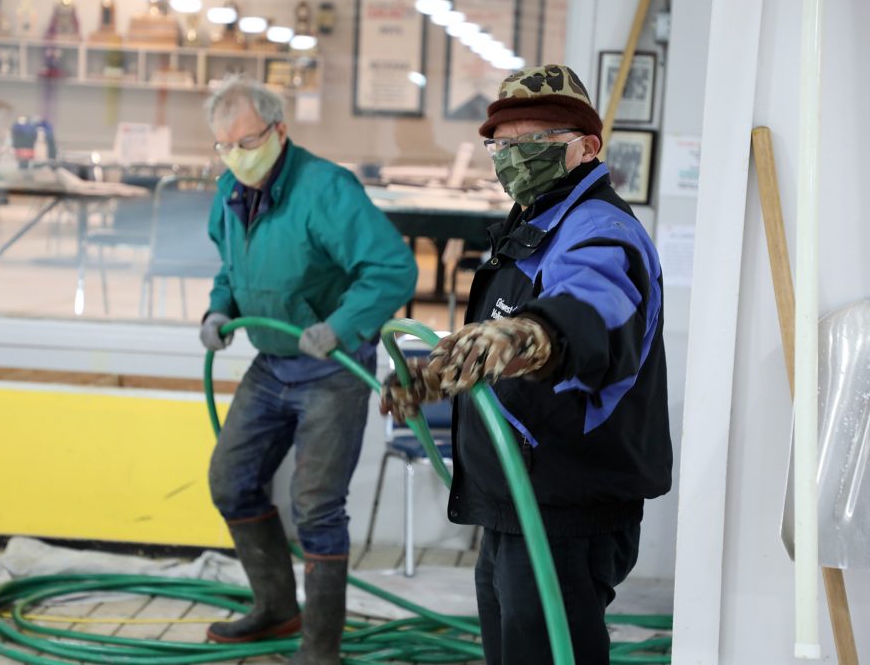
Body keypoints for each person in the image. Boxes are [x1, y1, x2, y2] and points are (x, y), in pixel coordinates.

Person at [380, 64, 672, 665]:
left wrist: (531, 335)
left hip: (565, 507)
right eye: (503, 145)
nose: (514, 158)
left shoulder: (600, 232)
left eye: (534, 144)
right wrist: (444, 370)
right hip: (518, 499)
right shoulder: (536, 222)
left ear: (586, 147)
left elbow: (588, 309)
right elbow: (505, 329)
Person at [200, 77, 418, 664]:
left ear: (278, 131)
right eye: (223, 146)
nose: (235, 157)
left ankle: (321, 649)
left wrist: (342, 325)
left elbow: (392, 268)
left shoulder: (325, 189)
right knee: (231, 480)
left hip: (331, 368)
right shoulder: (230, 190)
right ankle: (277, 608)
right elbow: (231, 265)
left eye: (245, 142)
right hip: (272, 363)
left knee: (317, 507)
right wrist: (221, 308)